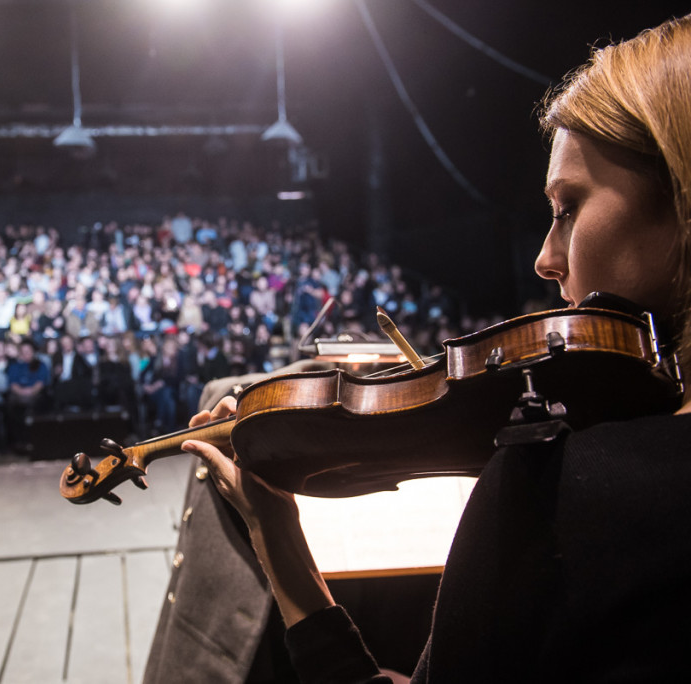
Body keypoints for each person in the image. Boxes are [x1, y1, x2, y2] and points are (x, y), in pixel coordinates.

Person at [175, 16, 691, 683]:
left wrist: (279, 545)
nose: (544, 258)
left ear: (681, 202)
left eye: (567, 206)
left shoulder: (566, 493)